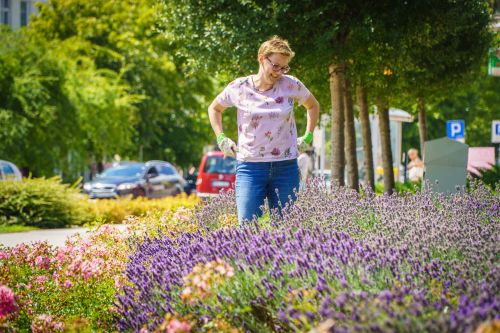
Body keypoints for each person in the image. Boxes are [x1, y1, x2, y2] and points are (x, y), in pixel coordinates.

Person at [207, 35, 320, 224]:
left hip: (285, 166)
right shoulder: (239, 87)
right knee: (248, 227)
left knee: (286, 228)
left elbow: (313, 106)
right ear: (261, 58)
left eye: (284, 67)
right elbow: (214, 108)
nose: (279, 72)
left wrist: (308, 137)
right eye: (275, 66)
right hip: (250, 167)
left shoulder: (291, 84)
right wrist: (221, 138)